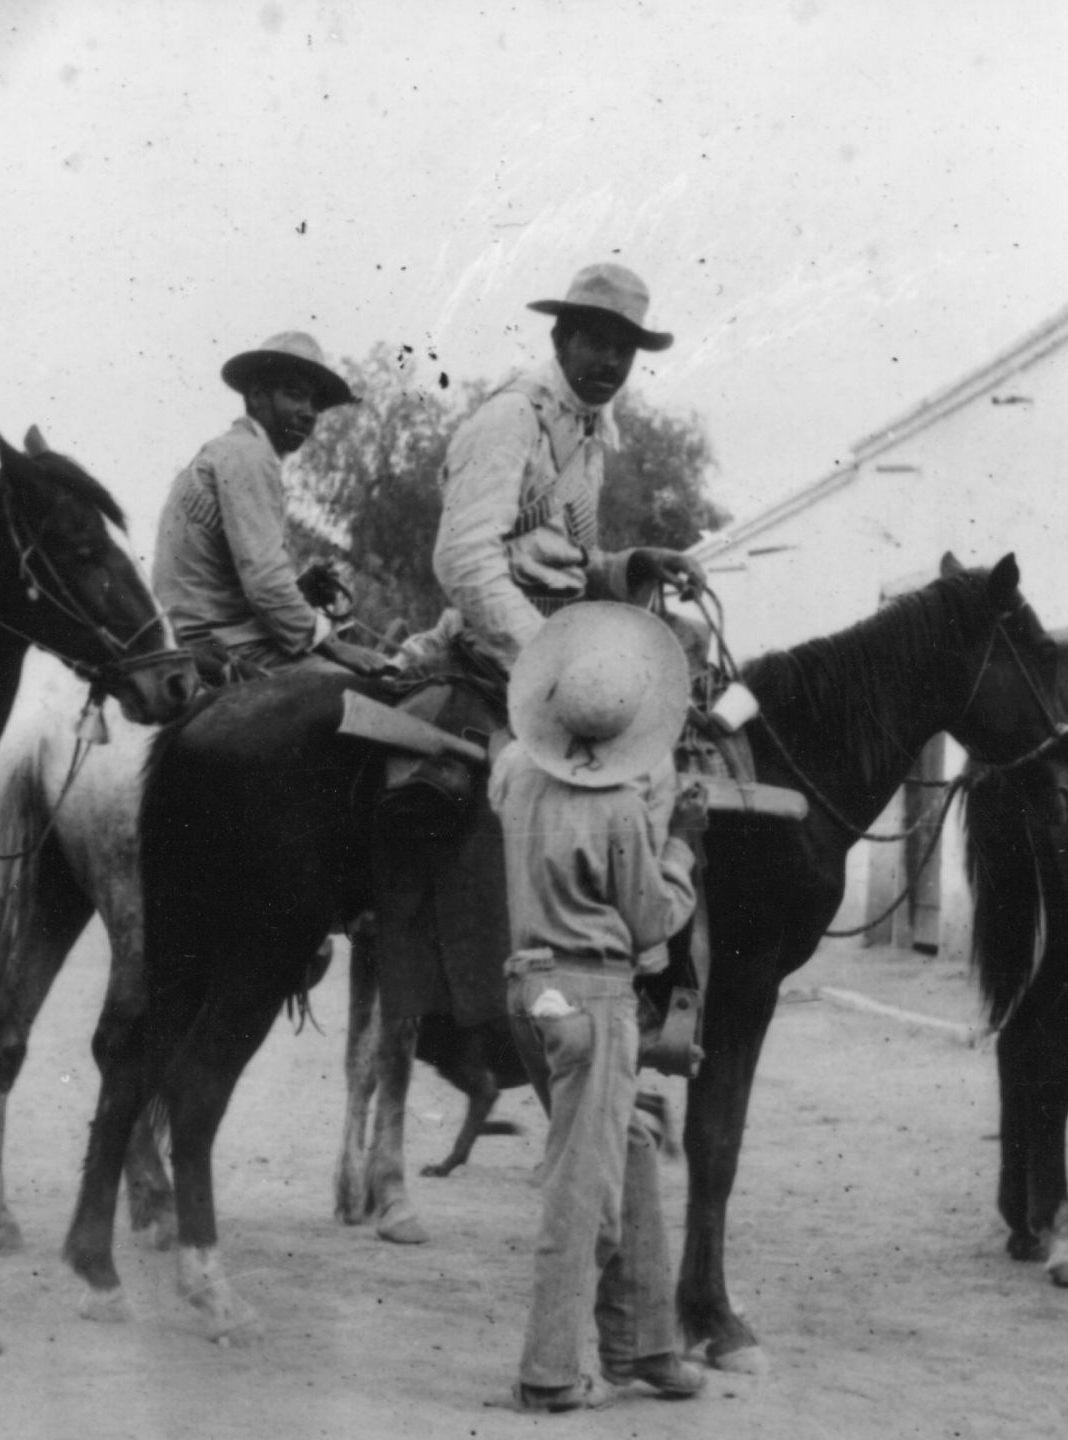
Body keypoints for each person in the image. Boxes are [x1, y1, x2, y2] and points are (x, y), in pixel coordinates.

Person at [493, 602, 710, 1413]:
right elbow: (652, 919)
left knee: (632, 1148)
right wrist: (683, 843)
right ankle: (548, 1372)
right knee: (583, 1191)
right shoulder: (623, 807)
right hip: (593, 1000)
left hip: (531, 989)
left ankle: (644, 1343)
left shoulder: (514, 770)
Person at [423, 261, 710, 682]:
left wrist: (633, 565)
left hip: (564, 633)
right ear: (561, 340)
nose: (612, 362)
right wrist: (549, 659)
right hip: (500, 644)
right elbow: (461, 558)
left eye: (625, 350)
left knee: (690, 653)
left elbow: (559, 561)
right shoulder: (512, 417)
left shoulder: (585, 426)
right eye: (597, 342)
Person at [152, 331, 357, 683]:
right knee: (369, 698)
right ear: (259, 396)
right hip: (226, 648)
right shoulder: (250, 456)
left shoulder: (225, 451)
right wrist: (334, 645)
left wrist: (299, 588)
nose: (308, 413)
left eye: (315, 405)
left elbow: (233, 577)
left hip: (193, 637)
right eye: (295, 396)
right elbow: (264, 582)